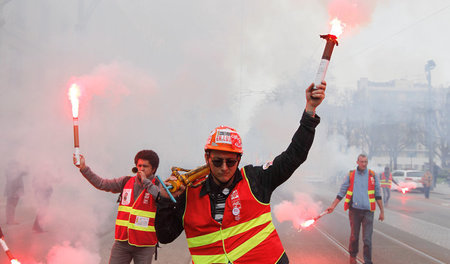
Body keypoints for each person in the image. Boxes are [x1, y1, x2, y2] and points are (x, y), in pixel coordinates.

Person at [155, 82, 326, 264]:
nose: (224, 168)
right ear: (207, 158)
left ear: (239, 160)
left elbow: (294, 155)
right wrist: (165, 200)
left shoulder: (255, 179)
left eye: (231, 162)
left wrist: (310, 111)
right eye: (217, 161)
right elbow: (165, 236)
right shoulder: (189, 193)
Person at [73, 150, 160, 264]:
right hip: (122, 243)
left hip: (145, 245)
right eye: (139, 165)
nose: (141, 169)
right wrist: (84, 168)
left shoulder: (158, 185)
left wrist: (146, 182)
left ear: (153, 169)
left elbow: (160, 197)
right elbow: (102, 184)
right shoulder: (126, 181)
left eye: (145, 166)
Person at [326, 154, 384, 264]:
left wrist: (382, 211)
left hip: (368, 212)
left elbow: (378, 194)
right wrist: (333, 205)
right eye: (361, 162)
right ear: (357, 162)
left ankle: (368, 261)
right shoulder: (351, 175)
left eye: (365, 162)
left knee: (367, 239)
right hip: (354, 211)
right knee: (354, 237)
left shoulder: (372, 175)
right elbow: (342, 191)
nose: (363, 164)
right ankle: (352, 257)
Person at [4, 161, 26, 225]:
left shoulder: (10, 171)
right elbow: (25, 172)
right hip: (14, 191)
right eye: (16, 165)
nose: (17, 166)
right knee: (11, 206)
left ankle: (10, 220)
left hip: (13, 190)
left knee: (10, 205)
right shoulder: (14, 171)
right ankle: (11, 220)